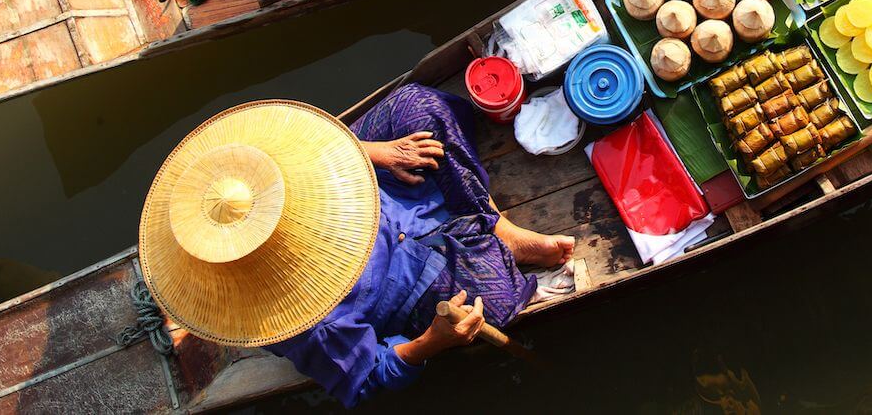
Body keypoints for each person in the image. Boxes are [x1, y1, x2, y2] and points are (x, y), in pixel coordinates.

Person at [137, 88, 573, 409]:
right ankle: (479, 234)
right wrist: (431, 342)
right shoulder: (304, 319)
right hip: (410, 270)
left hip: (374, 187)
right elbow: (367, 377)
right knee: (491, 301)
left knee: (417, 107)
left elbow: (310, 142)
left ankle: (500, 228)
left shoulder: (225, 173)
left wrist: (377, 154)